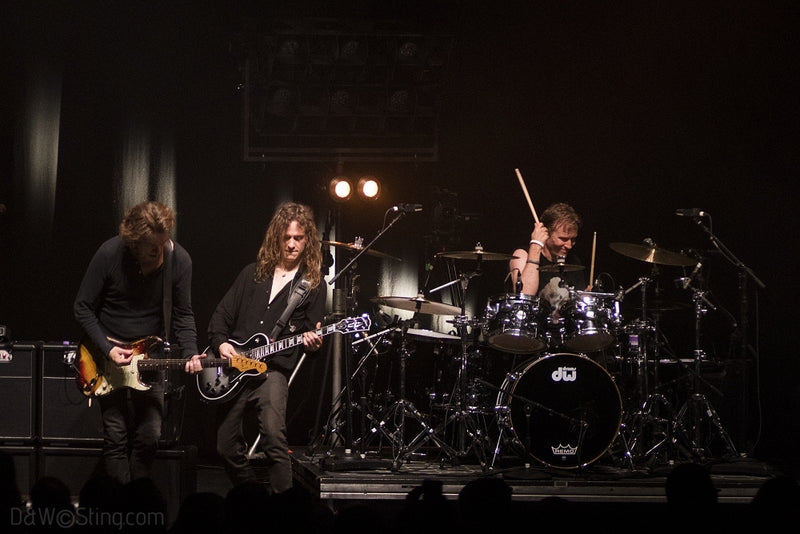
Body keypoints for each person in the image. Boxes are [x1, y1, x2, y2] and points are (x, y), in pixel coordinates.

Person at [74, 200, 202, 484]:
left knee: (149, 435)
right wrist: (107, 348)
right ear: (133, 242)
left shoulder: (179, 260)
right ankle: (121, 503)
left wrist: (192, 352)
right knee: (115, 435)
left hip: (150, 357)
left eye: (162, 242)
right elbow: (82, 306)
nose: (158, 250)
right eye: (150, 246)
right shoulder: (109, 253)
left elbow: (183, 314)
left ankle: (138, 498)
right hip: (107, 356)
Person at [204, 201, 326, 493]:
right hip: (236, 369)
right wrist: (221, 345)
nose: (293, 245)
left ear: (307, 240)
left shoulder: (312, 286)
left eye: (299, 238)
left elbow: (312, 336)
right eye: (287, 238)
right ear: (277, 238)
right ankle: (253, 496)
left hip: (272, 372)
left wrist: (313, 343)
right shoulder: (252, 274)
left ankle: (283, 513)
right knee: (224, 446)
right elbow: (219, 318)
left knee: (273, 439)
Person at [509, 202, 587, 298]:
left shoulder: (574, 261)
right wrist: (536, 245)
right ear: (546, 233)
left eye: (573, 239)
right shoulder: (521, 255)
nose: (569, 245)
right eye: (563, 239)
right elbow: (525, 295)